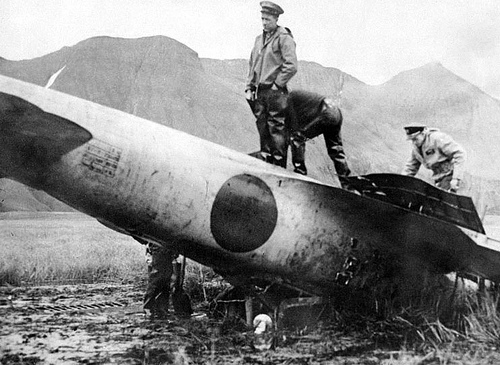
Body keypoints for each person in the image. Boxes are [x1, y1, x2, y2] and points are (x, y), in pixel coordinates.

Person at [245, 1, 298, 168]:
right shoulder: (258, 40)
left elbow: (291, 65)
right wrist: (249, 86)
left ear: (276, 19)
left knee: (277, 129)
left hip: (276, 93)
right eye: (262, 19)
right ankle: (267, 165)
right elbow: (253, 63)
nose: (264, 22)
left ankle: (279, 168)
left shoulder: (284, 38)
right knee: (263, 127)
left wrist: (277, 84)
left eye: (267, 19)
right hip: (260, 92)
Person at [287, 90, 351, 179]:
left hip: (326, 114)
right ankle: (347, 180)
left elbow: (293, 125)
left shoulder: (288, 99)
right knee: (335, 148)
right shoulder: (297, 97)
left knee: (297, 139)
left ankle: (300, 173)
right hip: (336, 113)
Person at [401, 126, 466, 192]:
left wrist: (456, 178)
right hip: (438, 178)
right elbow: (410, 168)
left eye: (415, 139)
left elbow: (459, 153)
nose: (414, 142)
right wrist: (400, 182)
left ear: (423, 134)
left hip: (451, 174)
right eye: (412, 140)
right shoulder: (416, 149)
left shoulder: (437, 138)